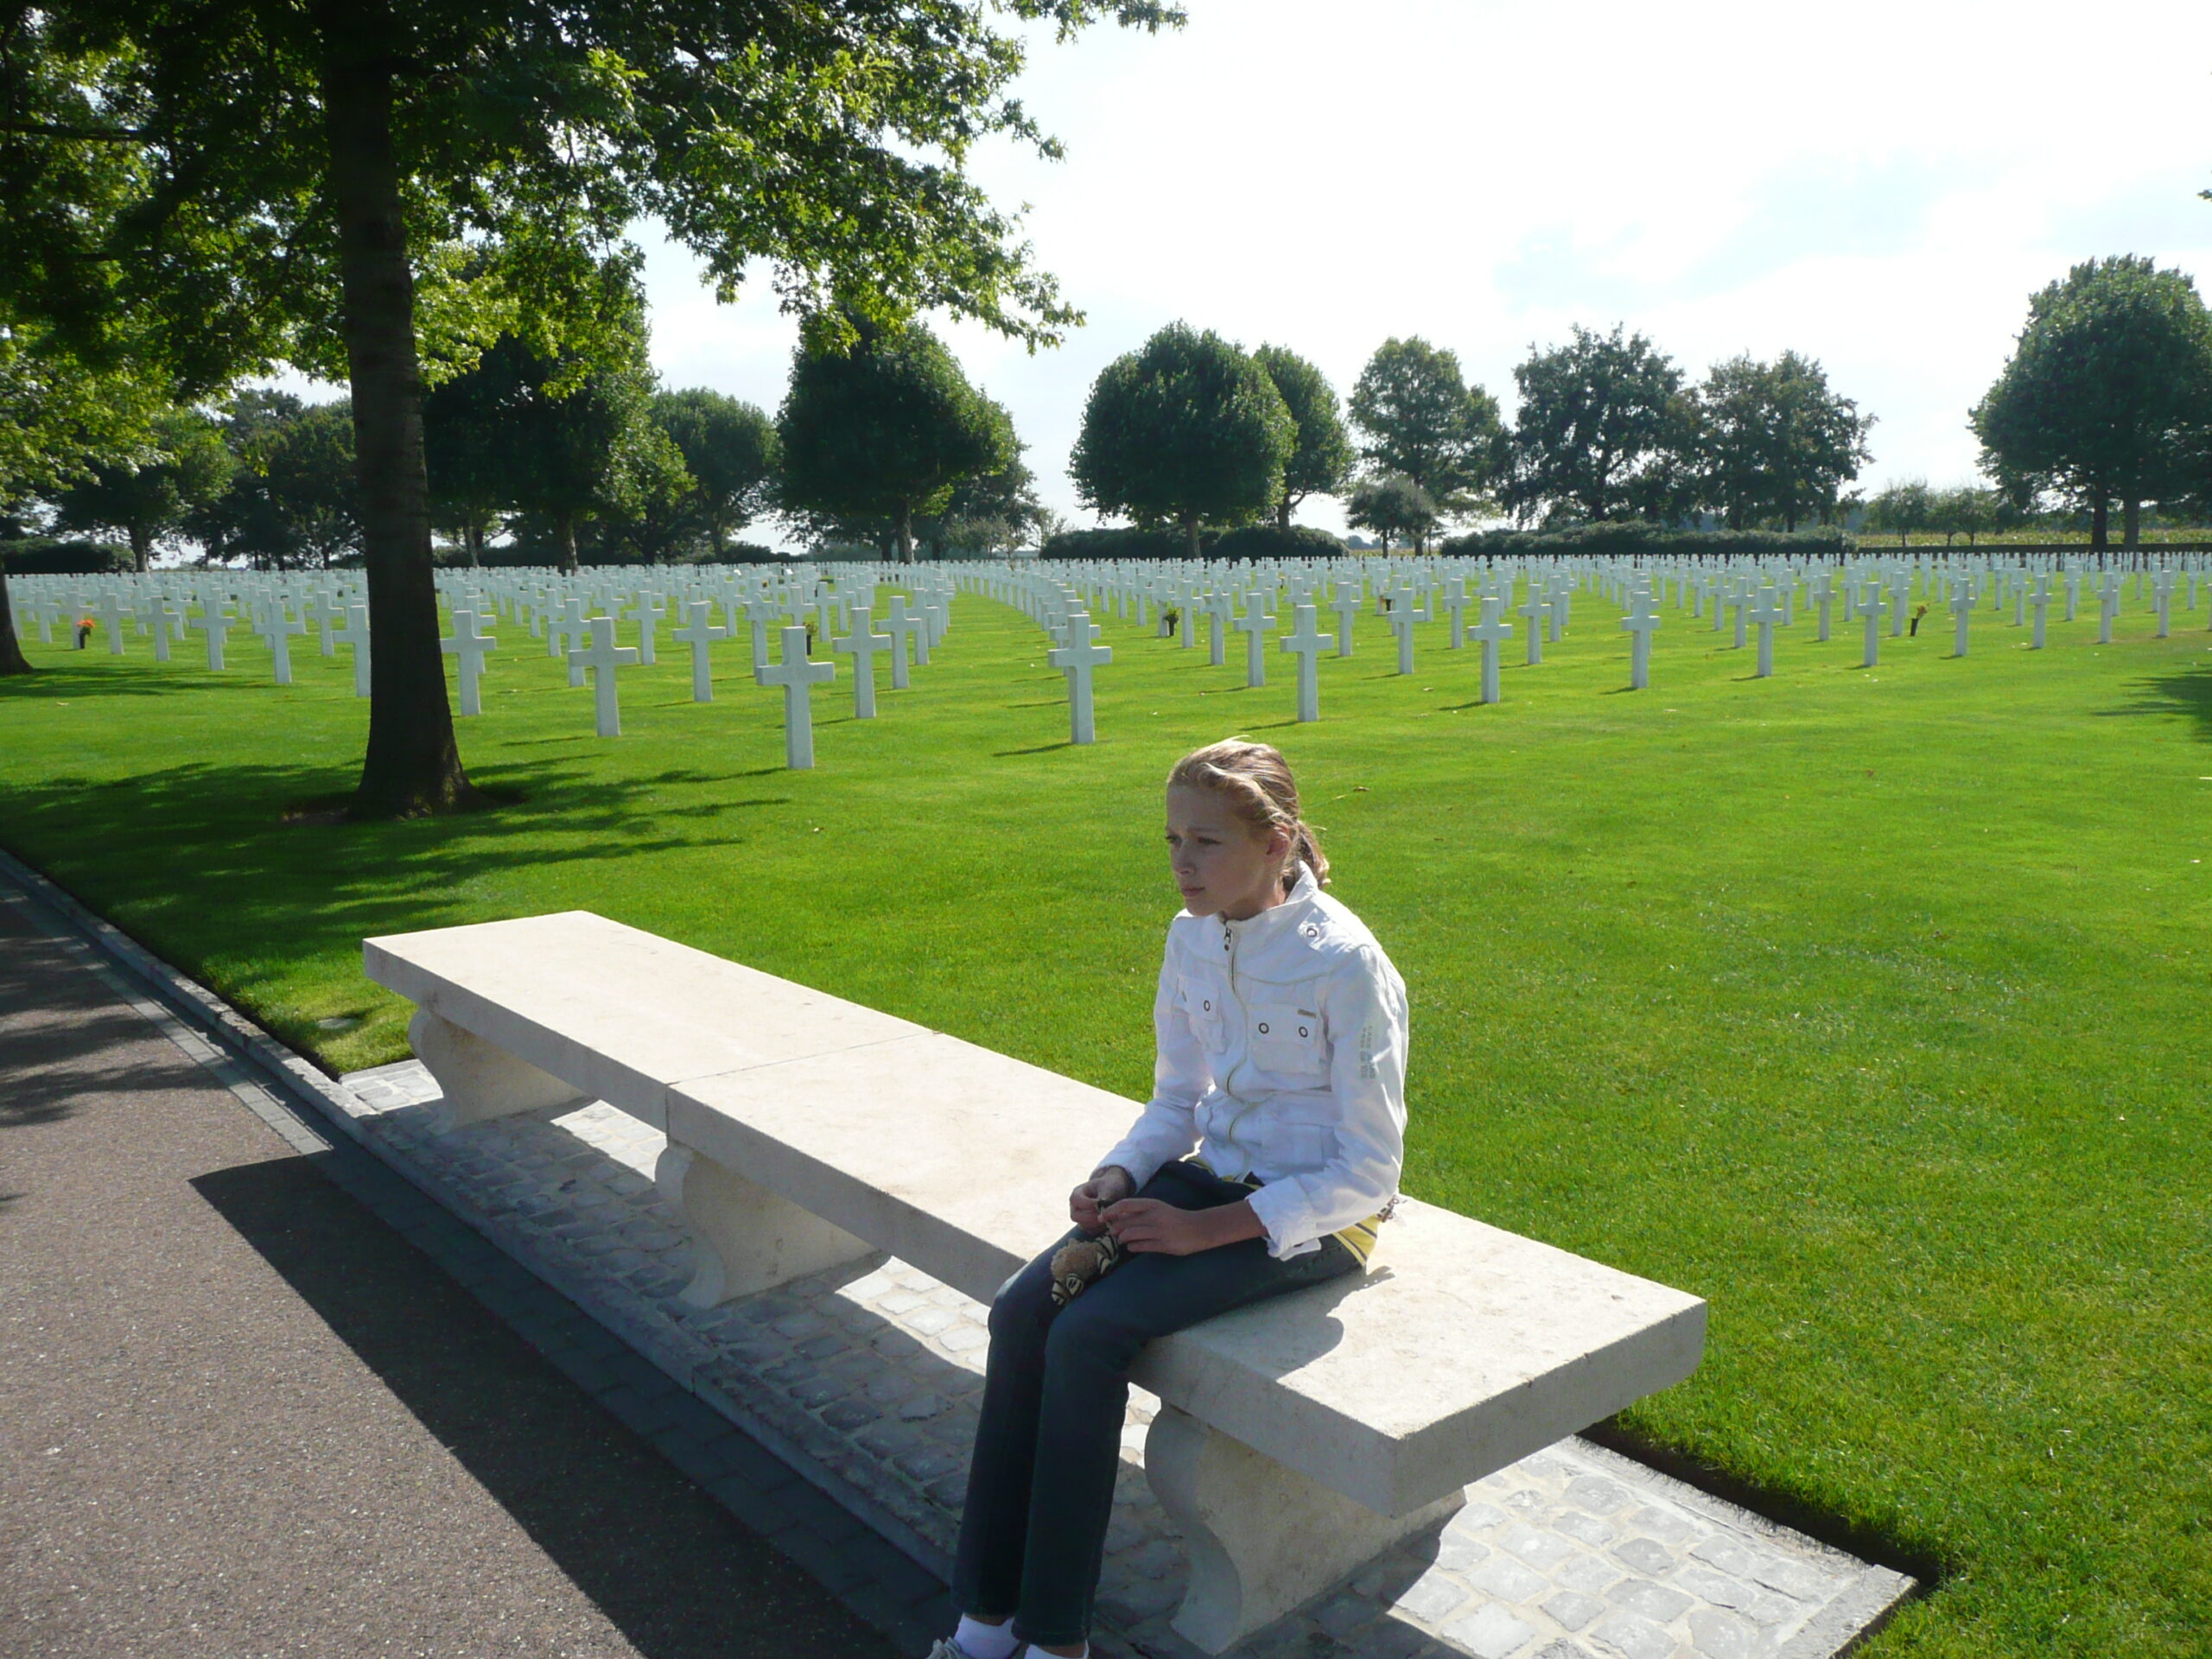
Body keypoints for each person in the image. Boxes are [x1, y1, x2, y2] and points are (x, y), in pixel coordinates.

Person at [934, 738, 1410, 1659]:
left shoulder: (1345, 964)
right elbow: (1176, 1102)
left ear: (1276, 846)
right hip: (1205, 1187)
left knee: (1089, 1332)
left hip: (1311, 1217)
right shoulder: (1191, 934)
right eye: (1171, 841)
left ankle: (1054, 1638)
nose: (1182, 864)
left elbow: (1369, 1173)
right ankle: (982, 1620)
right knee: (1021, 1311)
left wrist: (1201, 1232)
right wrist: (1119, 1174)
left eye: (1205, 842)